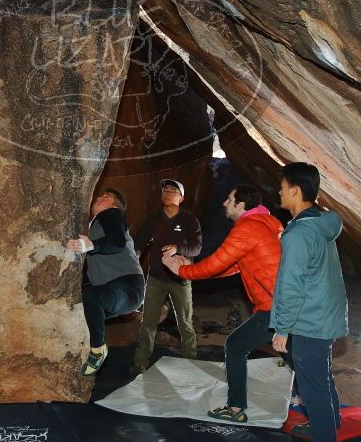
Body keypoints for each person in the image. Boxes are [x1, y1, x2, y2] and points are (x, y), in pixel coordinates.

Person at [163, 184, 283, 423]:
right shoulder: (266, 224)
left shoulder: (248, 228)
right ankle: (317, 405)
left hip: (274, 305)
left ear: (241, 205)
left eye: (229, 200)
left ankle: (236, 409)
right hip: (283, 303)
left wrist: (183, 270)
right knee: (291, 352)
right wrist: (191, 266)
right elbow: (231, 265)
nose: (224, 204)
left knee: (236, 346)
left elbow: (217, 263)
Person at [271, 162, 348, 442]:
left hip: (309, 318)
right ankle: (330, 421)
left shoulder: (299, 234)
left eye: (281, 188)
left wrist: (282, 328)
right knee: (321, 375)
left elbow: (292, 286)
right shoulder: (320, 223)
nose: (278, 193)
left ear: (294, 190)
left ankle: (324, 434)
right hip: (324, 314)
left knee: (311, 383)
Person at [66, 188, 145, 376]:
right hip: (118, 291)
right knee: (82, 313)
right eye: (100, 195)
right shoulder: (97, 224)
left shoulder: (112, 214)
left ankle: (98, 349)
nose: (100, 197)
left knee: (92, 296)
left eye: (106, 197)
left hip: (128, 286)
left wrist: (91, 245)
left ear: (115, 205)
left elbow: (117, 242)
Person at [132, 179, 202, 372]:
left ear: (182, 197)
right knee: (149, 322)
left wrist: (178, 248)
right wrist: (133, 262)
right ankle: (141, 362)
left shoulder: (189, 220)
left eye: (173, 190)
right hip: (155, 278)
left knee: (185, 323)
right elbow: (139, 245)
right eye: (165, 190)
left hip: (181, 278)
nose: (168, 192)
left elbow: (196, 248)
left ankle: (192, 362)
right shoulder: (152, 220)